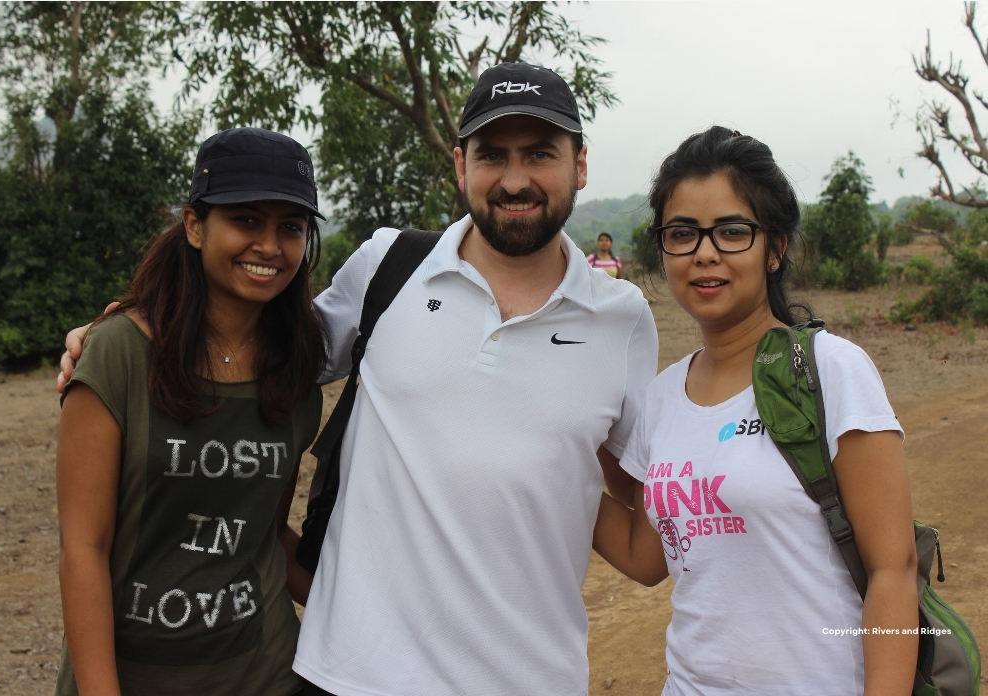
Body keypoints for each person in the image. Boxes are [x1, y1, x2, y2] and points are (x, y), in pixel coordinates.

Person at [58, 64, 658, 696]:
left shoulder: (621, 320)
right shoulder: (388, 268)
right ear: (460, 165)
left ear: (580, 165)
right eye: (491, 155)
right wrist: (126, 332)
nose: (514, 180)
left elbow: (635, 494)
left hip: (530, 681)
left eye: (539, 154)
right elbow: (261, 349)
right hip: (347, 676)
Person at [591, 126, 918, 695]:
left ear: (776, 248)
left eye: (732, 231)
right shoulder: (663, 396)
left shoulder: (831, 370)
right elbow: (646, 557)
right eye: (682, 233)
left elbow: (894, 570)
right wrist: (564, 443)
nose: (705, 252)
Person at [55, 128, 327, 696]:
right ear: (195, 226)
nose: (270, 246)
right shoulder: (119, 353)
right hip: (136, 675)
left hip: (265, 673)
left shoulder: (295, 372)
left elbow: (267, 535)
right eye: (246, 220)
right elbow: (83, 550)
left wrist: (386, 621)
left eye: (291, 227)